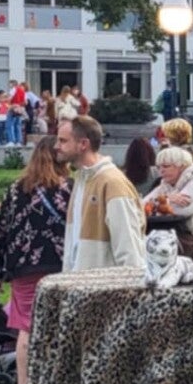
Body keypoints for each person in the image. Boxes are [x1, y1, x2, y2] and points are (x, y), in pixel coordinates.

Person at [0, 138, 70, 384]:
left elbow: (0, 231)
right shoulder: (69, 189)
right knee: (60, 323)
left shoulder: (16, 189)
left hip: (24, 265)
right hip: (61, 262)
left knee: (26, 325)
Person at [55, 116, 146, 271]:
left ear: (83, 144)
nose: (56, 146)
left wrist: (131, 282)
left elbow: (129, 249)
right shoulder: (82, 179)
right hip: (80, 282)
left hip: (106, 284)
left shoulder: (113, 182)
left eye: (63, 141)